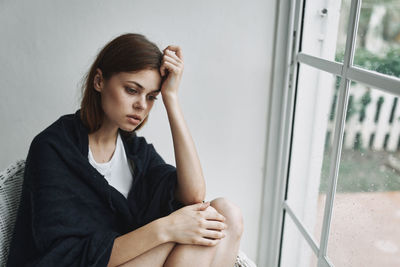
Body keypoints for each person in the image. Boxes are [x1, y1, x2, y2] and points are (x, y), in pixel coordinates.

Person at [6, 33, 243, 267]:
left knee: (226, 214)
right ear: (99, 81)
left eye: (151, 97)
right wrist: (165, 229)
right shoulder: (52, 147)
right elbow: (68, 256)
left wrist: (171, 98)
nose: (142, 105)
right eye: (132, 90)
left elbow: (192, 196)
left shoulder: (134, 151)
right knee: (184, 236)